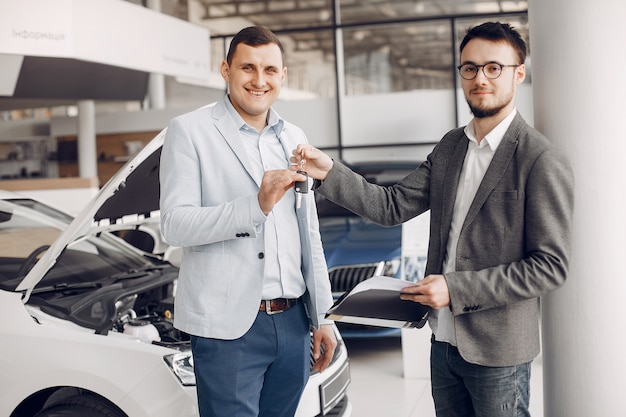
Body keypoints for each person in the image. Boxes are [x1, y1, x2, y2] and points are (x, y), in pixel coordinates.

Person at [292, 22, 574, 417]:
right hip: (443, 342)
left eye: (494, 67)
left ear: (519, 73)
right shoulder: (451, 147)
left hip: (498, 352)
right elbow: (390, 206)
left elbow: (550, 267)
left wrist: (455, 289)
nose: (480, 78)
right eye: (470, 68)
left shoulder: (539, 159)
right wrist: (329, 171)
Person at [159, 26, 336, 417]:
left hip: (294, 323)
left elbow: (310, 235)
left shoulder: (294, 137)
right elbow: (174, 224)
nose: (259, 80)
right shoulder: (190, 131)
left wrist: (324, 316)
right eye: (248, 68)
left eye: (270, 70)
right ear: (225, 70)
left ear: (283, 75)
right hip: (229, 330)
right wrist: (255, 205)